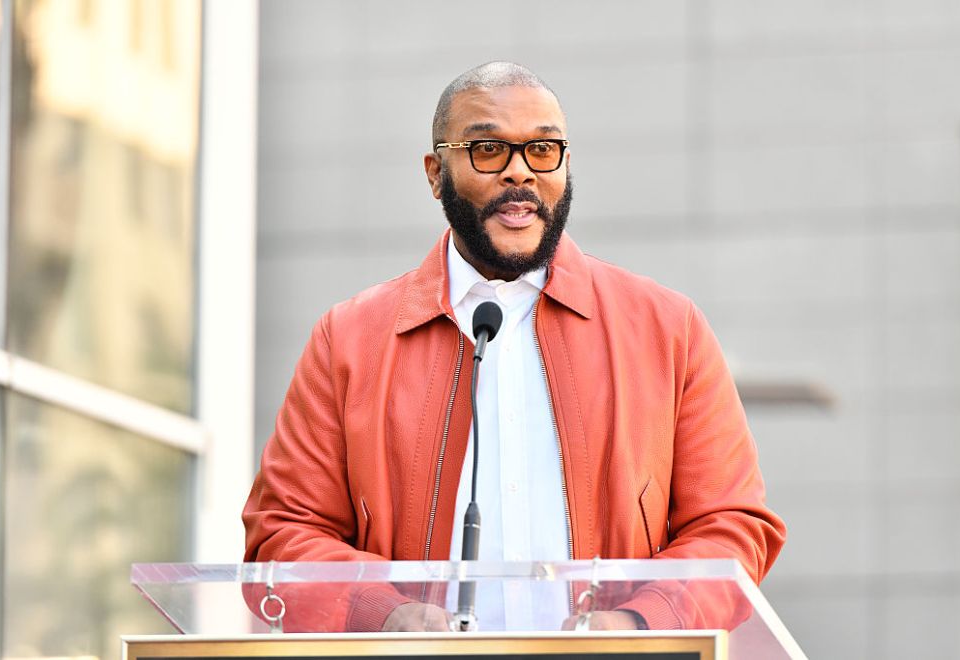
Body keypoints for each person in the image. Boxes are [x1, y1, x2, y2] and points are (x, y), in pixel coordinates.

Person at [243, 61, 786, 633]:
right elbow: (282, 533)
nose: (520, 173)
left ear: (566, 163)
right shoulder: (349, 339)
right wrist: (386, 613)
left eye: (543, 150)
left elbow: (732, 526)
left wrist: (635, 624)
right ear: (435, 173)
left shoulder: (668, 328)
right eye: (488, 150)